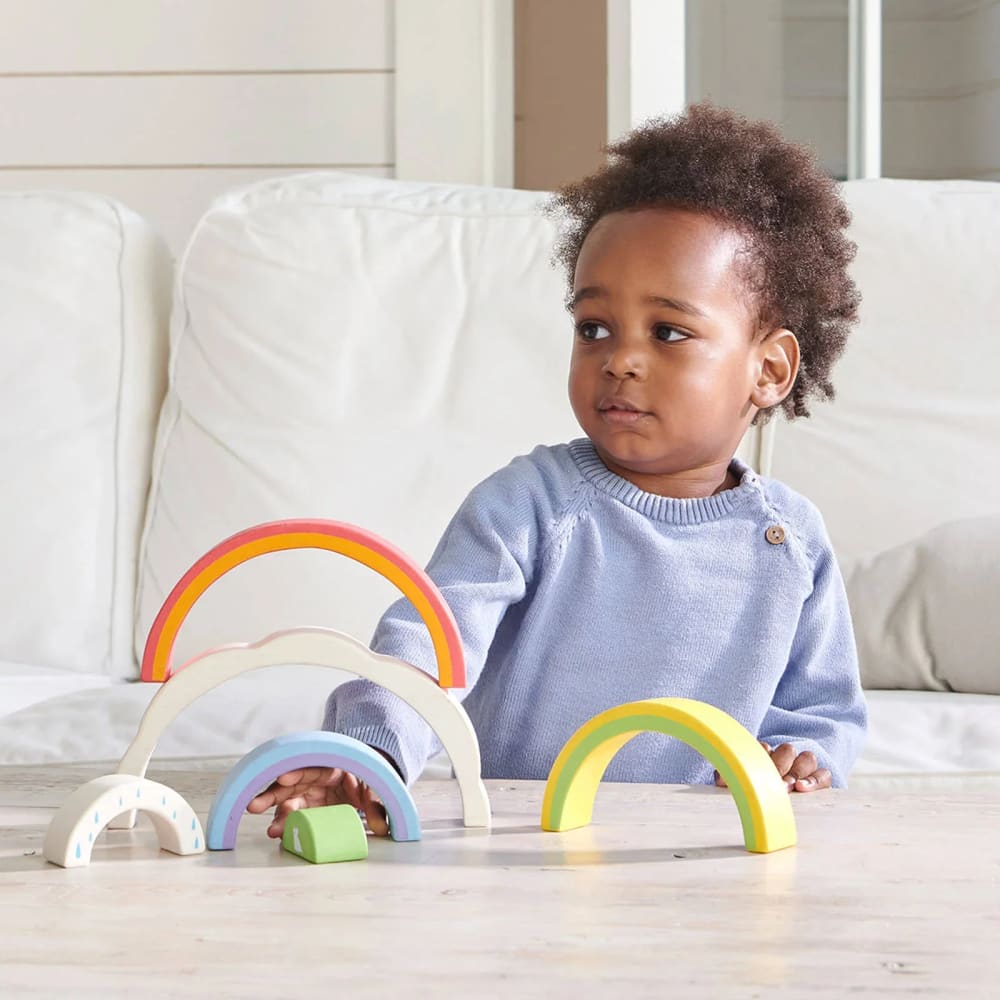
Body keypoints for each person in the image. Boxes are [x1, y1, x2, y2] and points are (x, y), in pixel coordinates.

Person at [248, 103, 868, 839]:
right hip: (529, 841)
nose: (620, 358)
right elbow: (427, 648)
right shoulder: (531, 505)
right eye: (593, 328)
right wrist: (369, 756)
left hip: (701, 852)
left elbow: (820, 712)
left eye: (668, 332)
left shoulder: (790, 539)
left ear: (768, 369)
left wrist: (803, 758)